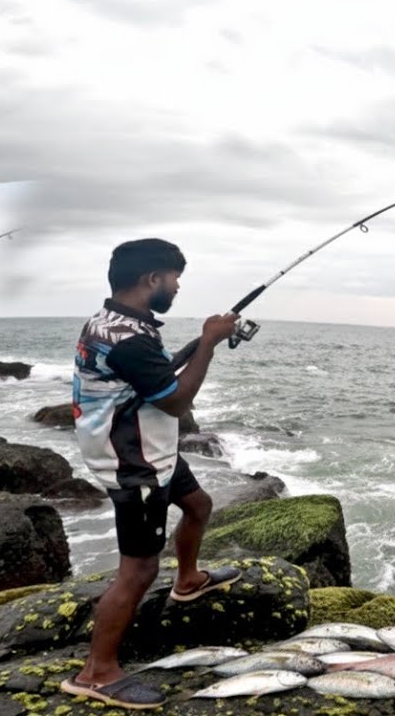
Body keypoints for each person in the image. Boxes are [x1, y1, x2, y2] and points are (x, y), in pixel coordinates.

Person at [61, 238, 244, 709]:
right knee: (139, 568)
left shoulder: (116, 323)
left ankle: (187, 580)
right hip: (133, 464)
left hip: (150, 449)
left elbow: (149, 377)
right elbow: (177, 402)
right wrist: (207, 342)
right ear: (152, 279)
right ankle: (96, 673)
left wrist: (187, 352)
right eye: (175, 278)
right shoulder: (129, 339)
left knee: (199, 505)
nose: (178, 287)